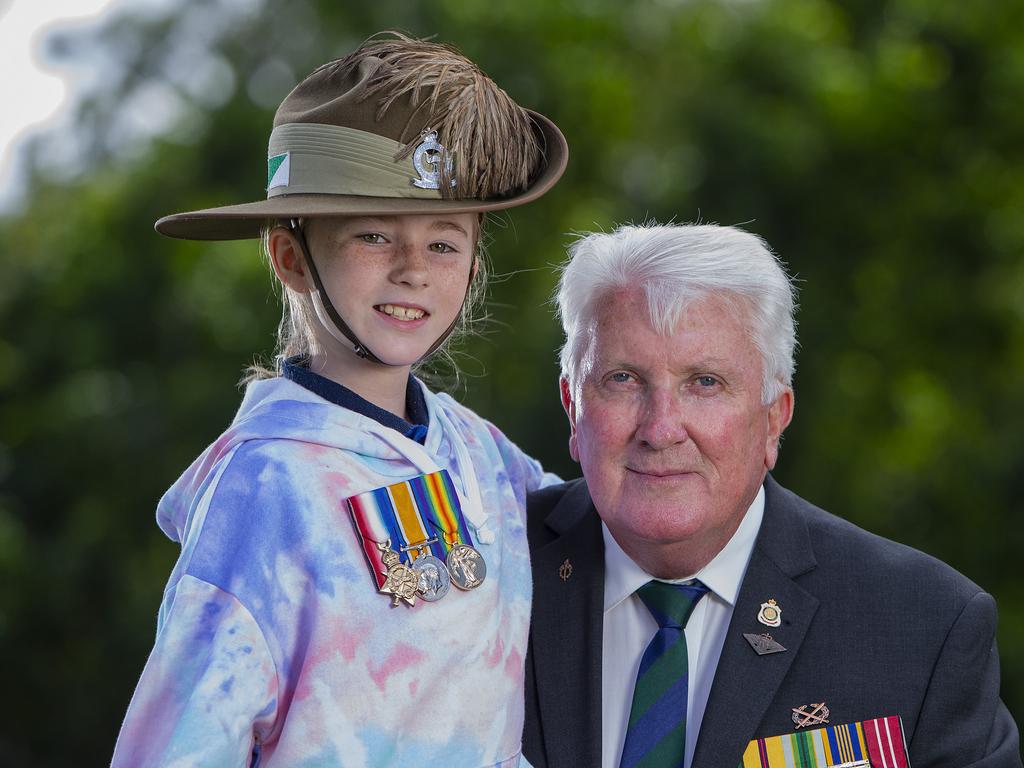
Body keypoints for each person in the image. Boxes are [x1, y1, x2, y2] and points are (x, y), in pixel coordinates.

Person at [112, 32, 567, 767]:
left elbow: (615, 556)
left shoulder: (482, 454)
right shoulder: (263, 491)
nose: (414, 268)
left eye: (445, 243)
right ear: (290, 257)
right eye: (374, 234)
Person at [521, 223, 1021, 768]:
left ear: (773, 419)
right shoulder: (487, 572)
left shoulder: (924, 626)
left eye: (705, 382)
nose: (661, 428)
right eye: (622, 379)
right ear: (573, 406)